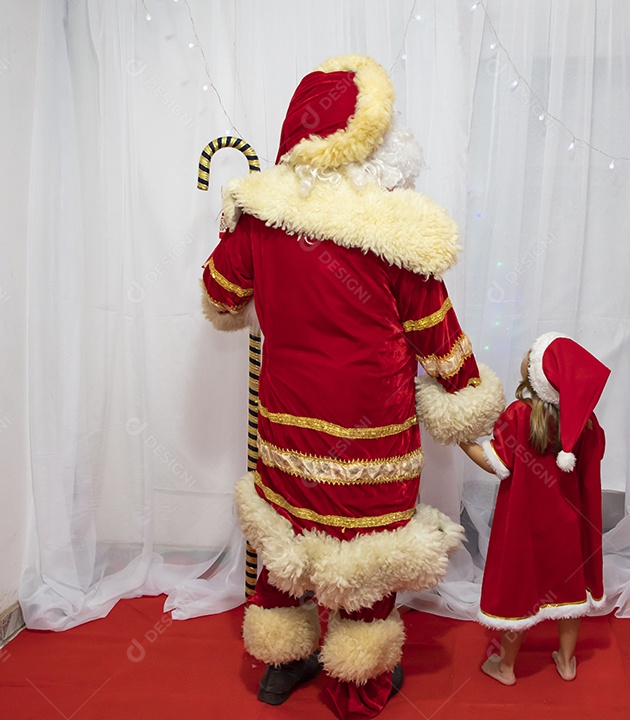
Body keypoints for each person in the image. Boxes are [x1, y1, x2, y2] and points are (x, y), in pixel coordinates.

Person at [200, 54, 505, 720]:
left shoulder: (261, 217)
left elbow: (220, 296)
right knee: (366, 559)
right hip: (372, 445)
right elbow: (439, 335)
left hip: (286, 431)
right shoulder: (397, 228)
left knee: (287, 542)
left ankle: (281, 662)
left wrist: (232, 229)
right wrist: (468, 403)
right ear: (364, 137)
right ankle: (357, 684)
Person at [459, 332, 610, 685]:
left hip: (524, 527)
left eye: (532, 353)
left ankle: (506, 667)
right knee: (570, 594)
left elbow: (495, 463)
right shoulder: (585, 423)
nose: (526, 355)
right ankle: (567, 662)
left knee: (519, 592)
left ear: (538, 374)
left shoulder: (519, 415)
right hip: (569, 528)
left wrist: (462, 440)